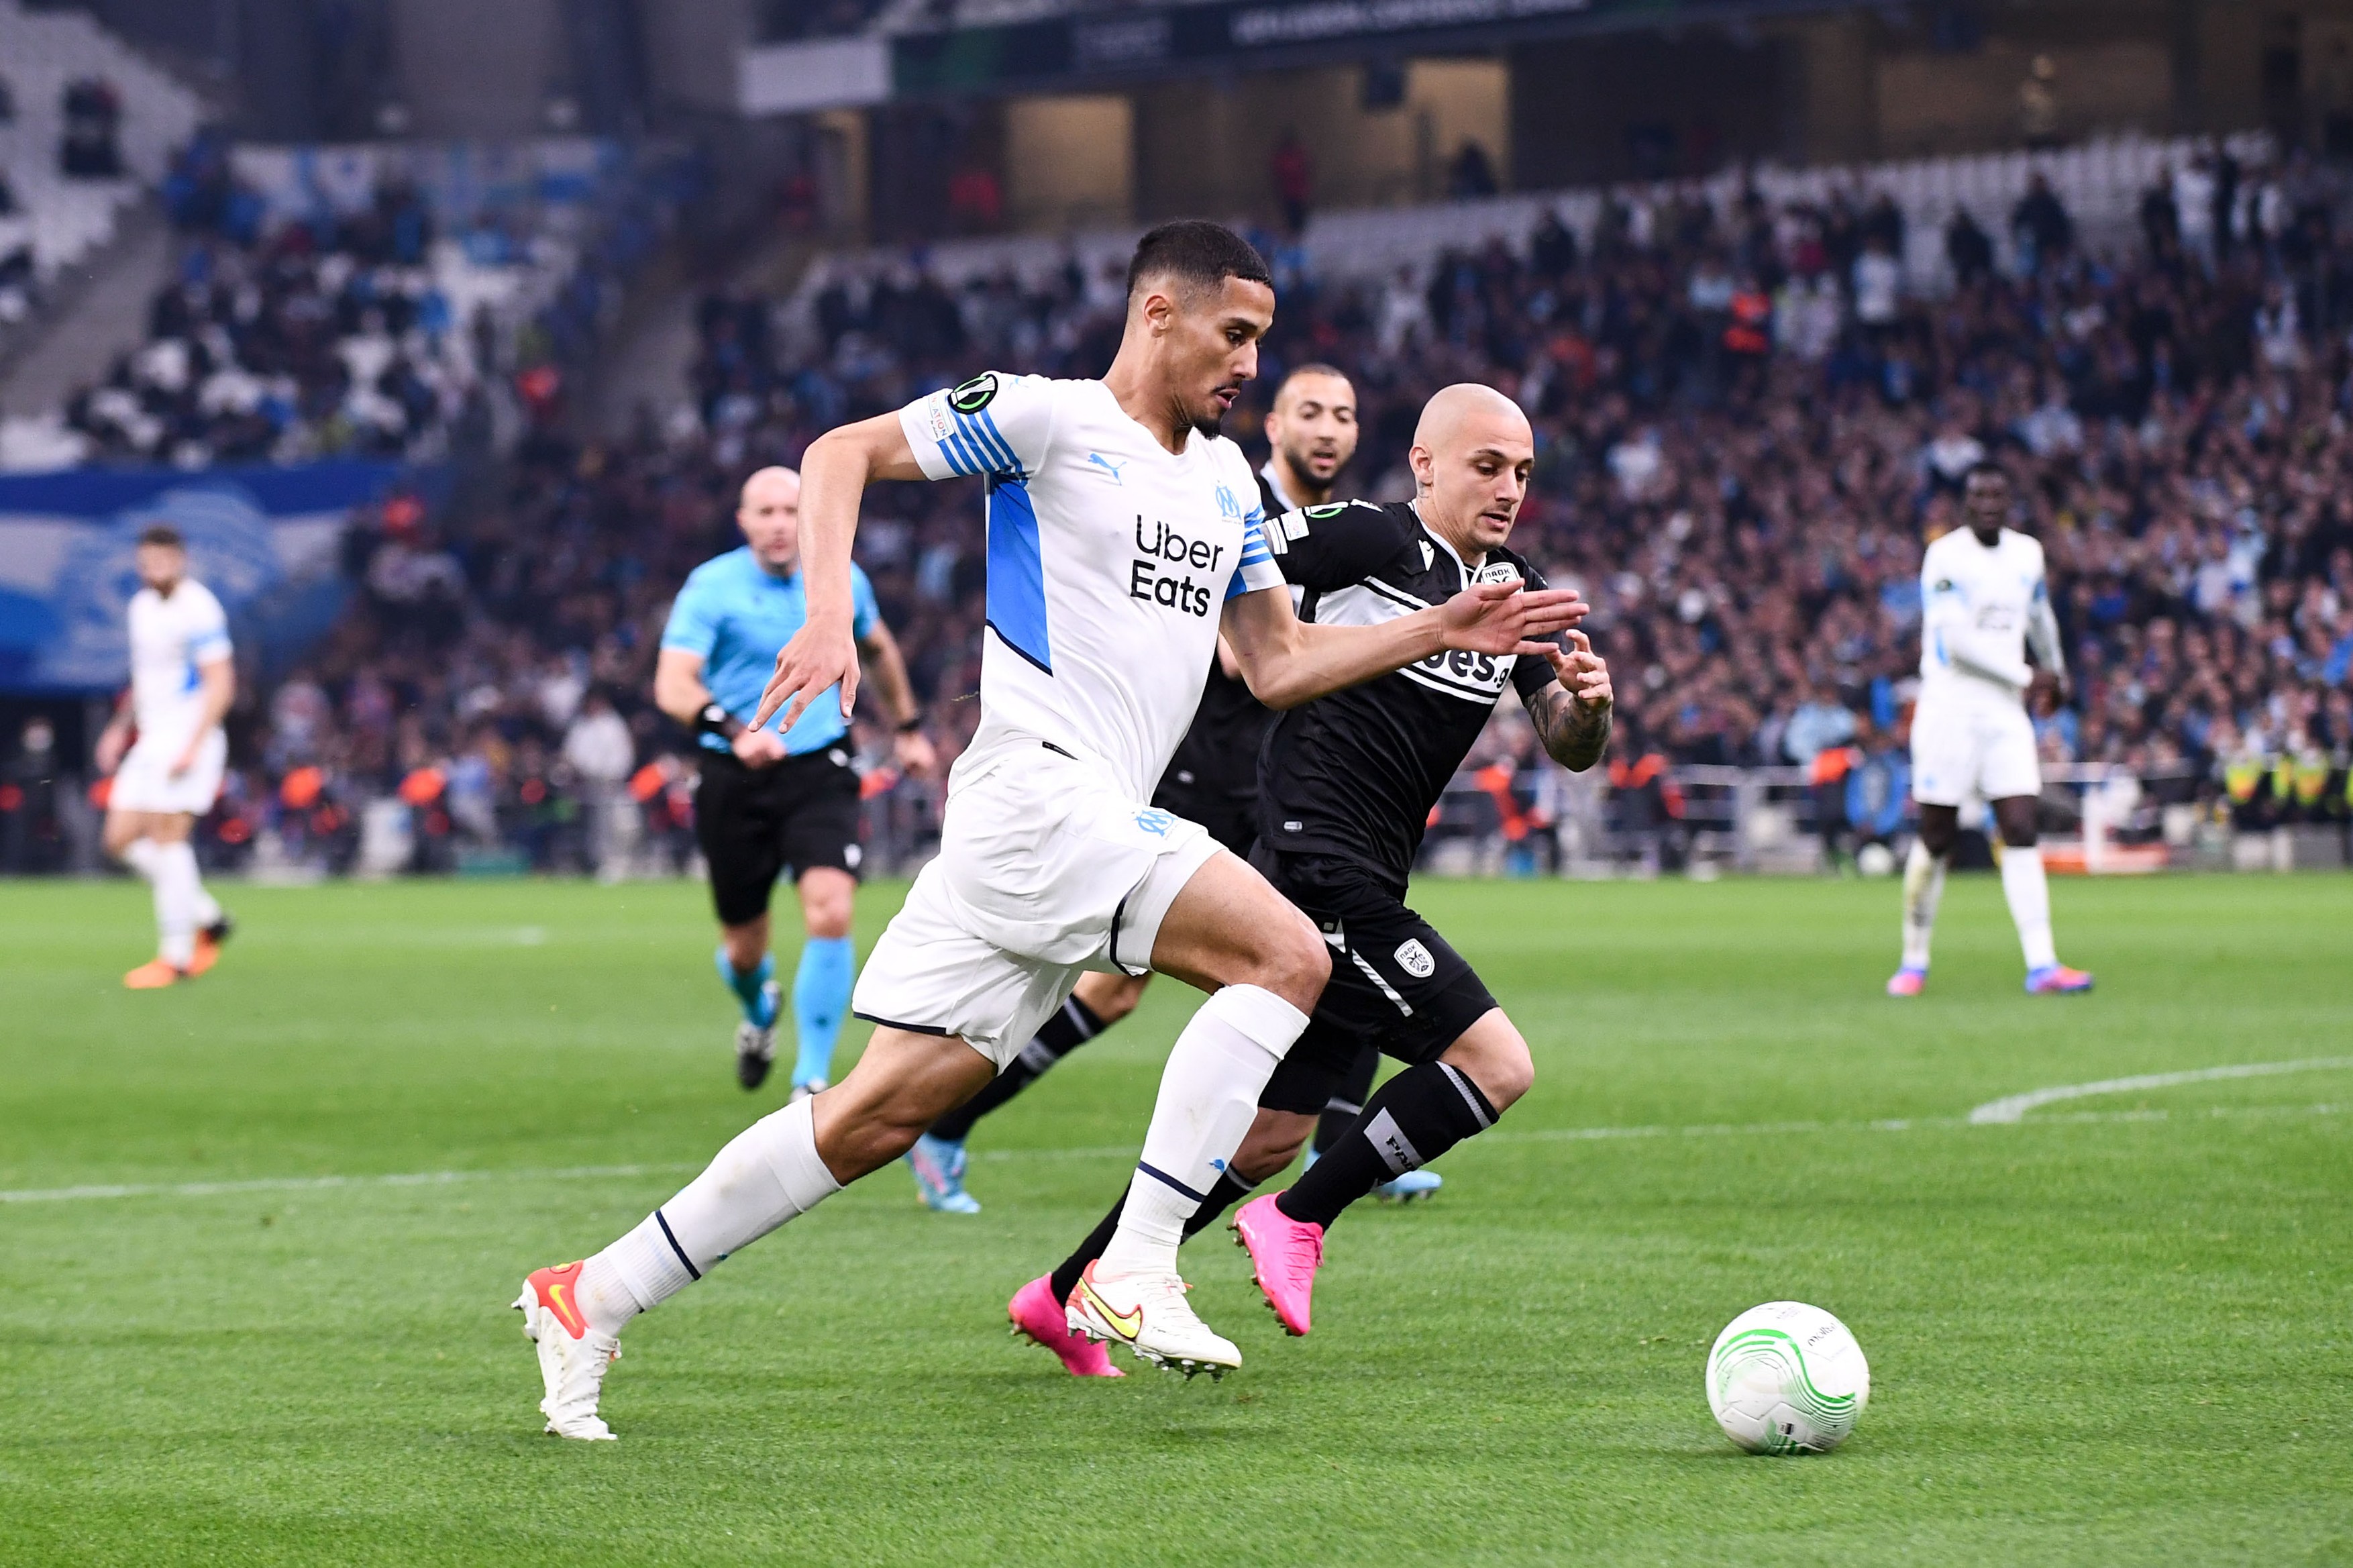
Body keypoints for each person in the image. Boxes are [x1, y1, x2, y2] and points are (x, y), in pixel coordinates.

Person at [512, 221, 1586, 1436]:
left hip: (1067, 824)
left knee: (873, 1117)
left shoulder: (1228, 481)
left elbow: (1276, 661)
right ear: (1157, 316)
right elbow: (837, 453)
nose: (1248, 365)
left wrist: (1438, 631)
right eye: (1234, 336)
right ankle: (1134, 1263)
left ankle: (589, 1293)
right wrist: (824, 613)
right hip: (1036, 787)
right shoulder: (1043, 418)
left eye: (1261, 340)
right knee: (1287, 955)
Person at [1020, 384, 1615, 1373]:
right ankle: (1296, 1223)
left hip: (1368, 874)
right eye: (1485, 466)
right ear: (1424, 464)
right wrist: (1206, 649)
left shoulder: (1510, 585)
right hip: (1311, 861)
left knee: (1264, 1139)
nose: (1508, 488)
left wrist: (1587, 704)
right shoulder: (1368, 539)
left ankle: (1064, 1290)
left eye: (1521, 471)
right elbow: (1225, 564)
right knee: (1496, 1064)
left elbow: (1568, 742)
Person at [902, 363, 1443, 1212]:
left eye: (1344, 414)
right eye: (1311, 412)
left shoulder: (1348, 533)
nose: (1330, 429)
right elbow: (1247, 656)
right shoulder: (1235, 498)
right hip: (1194, 770)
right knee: (1134, 986)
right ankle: (952, 1127)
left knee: (1330, 938)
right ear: (1276, 428)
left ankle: (1334, 1137)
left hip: (1269, 780)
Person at [653, 466, 936, 1096]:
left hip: (818, 767)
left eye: (791, 511)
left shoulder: (841, 582)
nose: (780, 525)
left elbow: (881, 647)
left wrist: (909, 726)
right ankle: (758, 1013)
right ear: (743, 521)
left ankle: (811, 1080)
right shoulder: (711, 587)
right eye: (766, 512)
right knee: (744, 950)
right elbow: (672, 684)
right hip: (732, 773)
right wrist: (734, 730)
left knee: (831, 910)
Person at [1890, 464, 2092, 997]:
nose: (1987, 503)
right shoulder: (1945, 556)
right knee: (1937, 836)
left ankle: (2042, 963)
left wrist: (2059, 672)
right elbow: (1955, 641)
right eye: (1977, 494)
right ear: (1964, 502)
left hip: (2004, 713)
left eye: (1997, 494)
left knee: (2021, 826)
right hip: (1949, 709)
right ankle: (1913, 958)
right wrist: (2031, 675)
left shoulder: (2026, 552)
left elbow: (2039, 614)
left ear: (2009, 502)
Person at [94, 525, 236, 988]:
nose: (154, 569)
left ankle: (174, 957)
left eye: (162, 560)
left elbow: (220, 681)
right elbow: (146, 679)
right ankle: (207, 915)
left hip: (188, 734)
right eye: (147, 562)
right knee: (118, 839)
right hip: (151, 737)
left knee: (167, 836)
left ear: (180, 560)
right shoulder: (140, 607)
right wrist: (118, 729)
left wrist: (194, 744)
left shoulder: (198, 606)